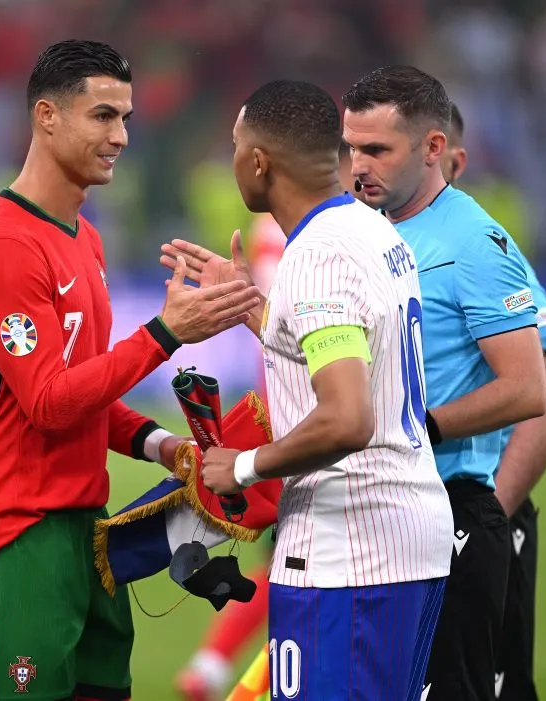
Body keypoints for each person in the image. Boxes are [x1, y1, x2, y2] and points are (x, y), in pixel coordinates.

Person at [0, 39, 262, 701]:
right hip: (18, 538)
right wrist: (167, 333)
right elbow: (52, 402)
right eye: (103, 116)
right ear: (46, 117)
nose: (120, 136)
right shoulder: (2, 247)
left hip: (89, 534)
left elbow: (90, 390)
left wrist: (165, 447)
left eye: (126, 119)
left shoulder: (83, 238)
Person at [162, 79, 453, 701]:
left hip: (350, 555)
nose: (233, 157)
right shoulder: (370, 229)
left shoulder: (316, 257)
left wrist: (239, 466)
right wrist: (255, 310)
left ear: (259, 162)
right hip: (403, 541)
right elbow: (347, 350)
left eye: (237, 146)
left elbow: (348, 417)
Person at [342, 65, 546, 701]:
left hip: (449, 511)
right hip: (375, 510)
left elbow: (527, 391)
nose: (358, 165)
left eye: (377, 149)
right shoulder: (362, 228)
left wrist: (416, 428)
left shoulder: (475, 243)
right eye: (350, 147)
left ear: (434, 148)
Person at [174, 144, 357, 701]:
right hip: (319, 400)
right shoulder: (342, 230)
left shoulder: (268, 226)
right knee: (300, 563)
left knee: (288, 557)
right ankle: (224, 671)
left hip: (280, 393)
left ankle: (213, 663)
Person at [443, 102, 546, 701]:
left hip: (478, 515)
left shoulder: (488, 253)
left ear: (451, 159)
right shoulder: (378, 254)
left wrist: (482, 521)